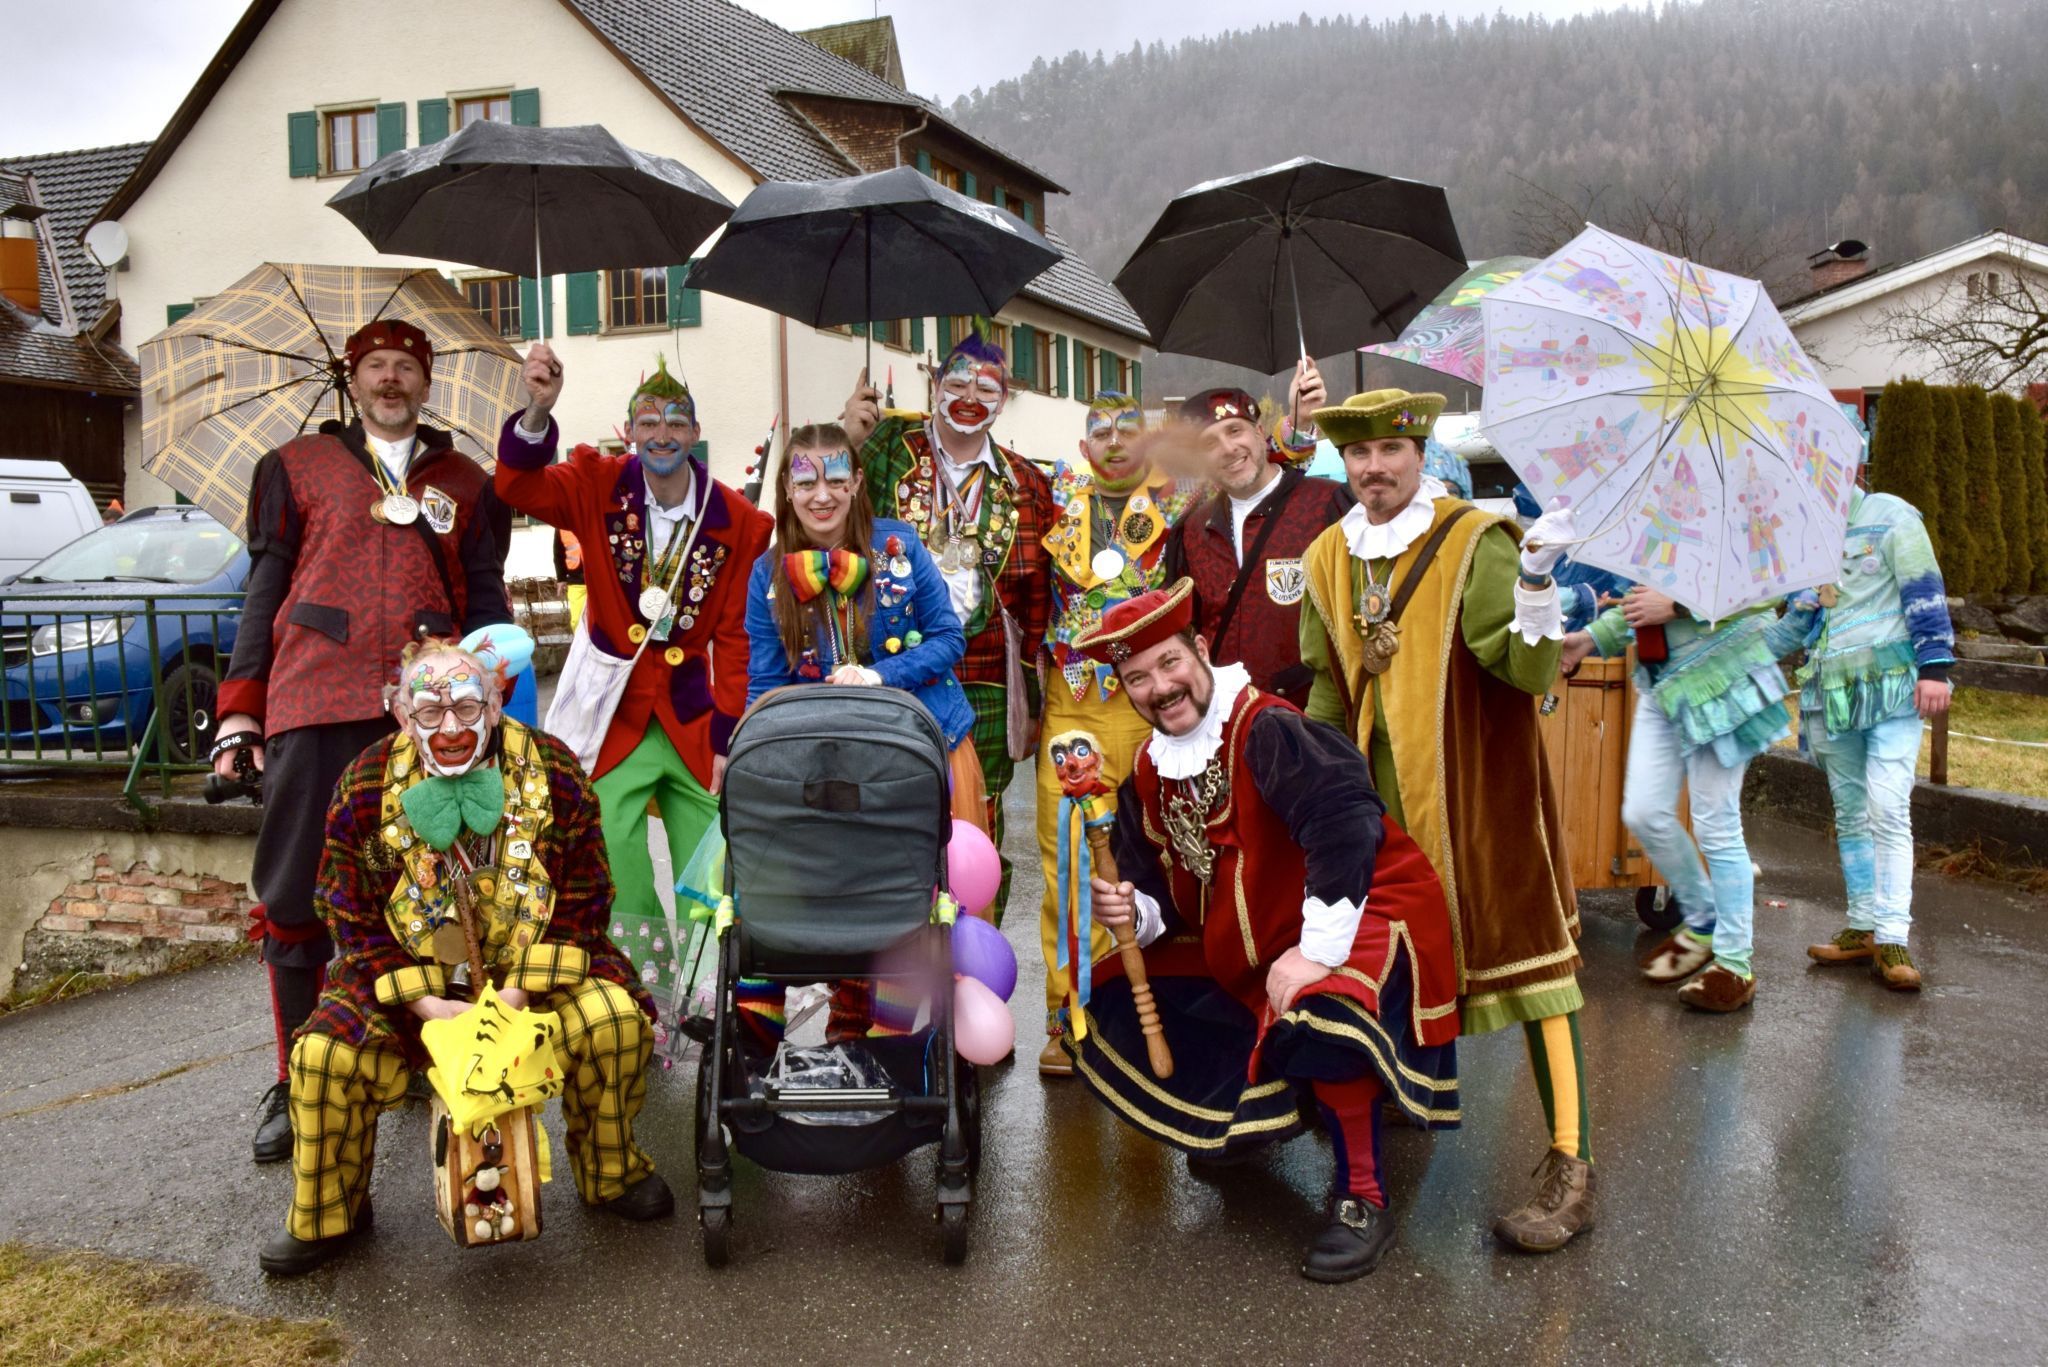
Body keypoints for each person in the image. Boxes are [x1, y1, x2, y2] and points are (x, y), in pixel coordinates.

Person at [1063, 579, 1460, 1282]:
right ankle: (1250, 1121)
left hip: (1364, 903)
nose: (1160, 687)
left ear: (1201, 649)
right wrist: (1135, 910)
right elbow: (1153, 880)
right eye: (1137, 677)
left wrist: (1316, 951)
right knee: (1117, 998)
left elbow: (1346, 823)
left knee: (1322, 1011)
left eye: (1170, 663)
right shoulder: (1151, 769)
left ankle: (1362, 1196)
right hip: (1259, 926)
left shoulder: (1266, 727)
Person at [257, 637, 669, 1276]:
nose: (450, 728)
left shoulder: (554, 770)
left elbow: (588, 895)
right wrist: (424, 1002)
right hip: (408, 982)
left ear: (498, 705)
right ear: (400, 713)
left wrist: (519, 995)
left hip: (531, 976)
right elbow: (346, 909)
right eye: (429, 712)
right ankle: (328, 1213)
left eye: (468, 709)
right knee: (323, 1054)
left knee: (612, 1019)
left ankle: (611, 1173)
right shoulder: (365, 783)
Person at [1298, 388, 1595, 1254]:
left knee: (1536, 968)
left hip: (1478, 797)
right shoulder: (1328, 556)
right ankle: (1386, 1112)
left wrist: (1537, 581)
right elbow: (1325, 680)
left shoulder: (1473, 542)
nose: (1374, 469)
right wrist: (1312, 784)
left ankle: (1571, 1163)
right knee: (1374, 961)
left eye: (1391, 450)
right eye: (1359, 455)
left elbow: (1525, 667)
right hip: (1373, 806)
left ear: (1419, 452)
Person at [211, 319, 512, 1166]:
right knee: (299, 893)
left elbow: (485, 599)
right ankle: (296, 1075)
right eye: (377, 365)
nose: (392, 379)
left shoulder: (464, 479)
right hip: (313, 699)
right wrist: (240, 708)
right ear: (353, 376)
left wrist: (496, 687)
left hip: (434, 713)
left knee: (437, 890)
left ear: (426, 382)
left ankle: (428, 1055)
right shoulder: (295, 467)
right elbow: (263, 591)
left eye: (407, 367)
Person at [501, 345, 772, 998]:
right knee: (614, 860)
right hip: (613, 714)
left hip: (692, 715)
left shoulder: (734, 518)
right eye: (648, 420)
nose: (661, 434)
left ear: (695, 434)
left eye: (676, 421)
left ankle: (715, 997)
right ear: (629, 432)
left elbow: (734, 637)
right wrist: (537, 411)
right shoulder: (597, 484)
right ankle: (643, 991)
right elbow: (516, 486)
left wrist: (728, 735)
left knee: (710, 860)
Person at [741, 424, 977, 1042]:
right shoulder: (767, 577)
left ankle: (886, 1035)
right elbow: (763, 684)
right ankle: (779, 1030)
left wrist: (879, 676)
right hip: (826, 760)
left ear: (857, 483)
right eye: (805, 479)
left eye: (836, 478)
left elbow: (951, 638)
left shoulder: (900, 547)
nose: (822, 494)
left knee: (909, 892)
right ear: (786, 490)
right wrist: (752, 754)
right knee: (839, 881)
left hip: (925, 748)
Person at [840, 336, 1055, 922]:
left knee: (977, 831)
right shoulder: (885, 451)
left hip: (984, 682)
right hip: (892, 675)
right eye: (956, 384)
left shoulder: (1028, 484)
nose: (968, 397)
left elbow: (1037, 604)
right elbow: (822, 505)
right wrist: (849, 440)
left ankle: (970, 971)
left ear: (1004, 400)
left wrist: (1032, 704)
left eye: (986, 388)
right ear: (934, 387)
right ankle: (888, 978)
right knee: (889, 823)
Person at [1032, 392, 1191, 1077]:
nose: (1117, 441)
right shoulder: (1049, 500)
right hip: (1074, 706)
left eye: (1131, 429)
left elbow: (1254, 458)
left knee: (1157, 857)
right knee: (1065, 862)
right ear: (1084, 444)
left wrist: (1298, 432)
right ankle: (1069, 1013)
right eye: (1102, 430)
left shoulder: (1179, 503)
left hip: (1151, 704)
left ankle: (1153, 1008)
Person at [1562, 588, 1818, 1010]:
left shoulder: (1739, 520)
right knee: (1642, 812)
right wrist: (1588, 637)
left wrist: (1679, 606)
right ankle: (1702, 919)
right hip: (1663, 685)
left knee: (1716, 824)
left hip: (1724, 680)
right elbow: (1640, 603)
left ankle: (1735, 966)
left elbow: (1760, 591)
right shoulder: (1655, 524)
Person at [1799, 484, 1954, 990]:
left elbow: (1923, 587)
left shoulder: (1892, 515)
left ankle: (1892, 935)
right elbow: (1807, 615)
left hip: (1890, 689)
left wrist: (1934, 665)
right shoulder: (1807, 533)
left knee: (1888, 808)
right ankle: (1863, 924)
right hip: (1831, 690)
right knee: (1849, 811)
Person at [1159, 360, 1351, 710]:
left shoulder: (1328, 505)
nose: (1228, 449)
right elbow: (1186, 632)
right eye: (1209, 443)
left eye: (1235, 431)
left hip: (1315, 722)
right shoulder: (1191, 531)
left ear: (1259, 432)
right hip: (1228, 724)